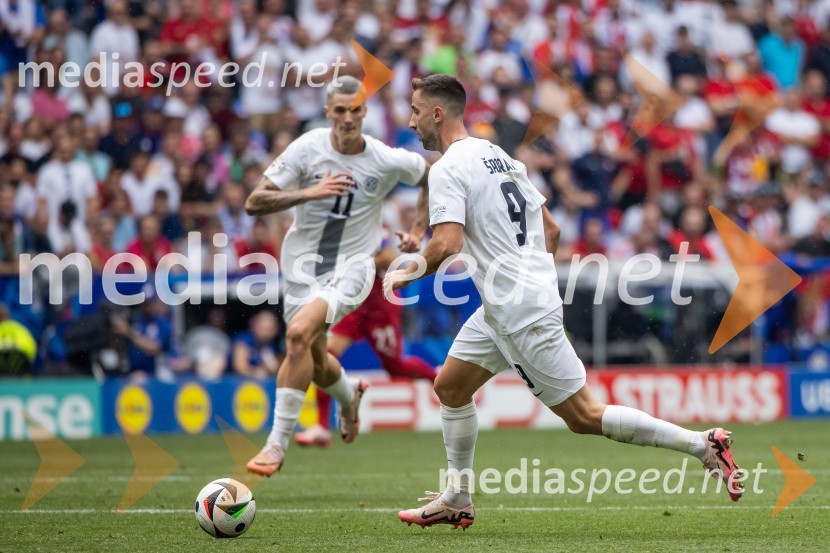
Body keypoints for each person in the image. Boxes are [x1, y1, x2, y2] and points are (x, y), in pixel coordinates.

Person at [385, 74, 743, 530]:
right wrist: (529, 281)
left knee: (583, 415)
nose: (411, 121)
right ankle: (457, 497)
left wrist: (407, 269)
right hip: (509, 305)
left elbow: (447, 244)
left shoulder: (449, 168)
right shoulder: (499, 156)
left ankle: (702, 443)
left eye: (415, 111)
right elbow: (550, 230)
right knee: (451, 388)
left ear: (437, 113)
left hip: (517, 311)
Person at [243, 75, 430, 476]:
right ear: (328, 111)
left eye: (355, 109)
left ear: (365, 112)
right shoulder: (306, 150)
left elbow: (431, 174)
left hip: (354, 268)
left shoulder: (383, 158)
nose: (348, 118)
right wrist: (309, 193)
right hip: (301, 270)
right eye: (340, 110)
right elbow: (255, 201)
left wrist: (418, 231)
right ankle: (349, 397)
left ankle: (276, 445)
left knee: (296, 336)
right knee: (317, 358)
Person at [294, 242, 438, 448]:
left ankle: (436, 377)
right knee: (323, 355)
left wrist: (355, 266)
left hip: (379, 305)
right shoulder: (332, 226)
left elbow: (389, 257)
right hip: (352, 303)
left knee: (395, 368)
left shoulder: (366, 219)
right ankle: (322, 427)